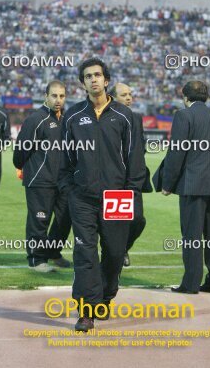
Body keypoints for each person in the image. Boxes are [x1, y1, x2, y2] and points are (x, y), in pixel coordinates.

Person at [58, 58, 146, 332]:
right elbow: (64, 159)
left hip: (117, 197)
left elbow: (135, 157)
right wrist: (70, 189)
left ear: (106, 80)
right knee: (85, 252)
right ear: (82, 83)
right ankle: (86, 310)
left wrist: (130, 192)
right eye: (88, 76)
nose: (93, 79)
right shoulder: (73, 116)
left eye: (97, 75)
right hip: (82, 197)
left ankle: (106, 296)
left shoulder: (124, 116)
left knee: (115, 252)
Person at [159, 81, 210, 294]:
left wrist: (167, 184)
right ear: (206, 97)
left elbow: (177, 152)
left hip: (193, 185)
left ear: (185, 98)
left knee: (192, 237)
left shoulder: (184, 116)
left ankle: (191, 284)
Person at [13, 80, 71, 273]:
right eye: (54, 95)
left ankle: (52, 253)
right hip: (40, 180)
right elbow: (21, 150)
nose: (58, 100)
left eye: (62, 96)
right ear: (46, 96)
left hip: (63, 182)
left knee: (65, 219)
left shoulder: (66, 119)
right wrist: (23, 167)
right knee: (40, 221)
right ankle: (37, 260)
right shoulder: (35, 119)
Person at [110, 83, 152, 267]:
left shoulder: (136, 118)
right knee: (117, 222)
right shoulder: (107, 117)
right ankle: (114, 256)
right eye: (124, 95)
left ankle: (123, 248)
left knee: (137, 220)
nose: (129, 98)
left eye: (130, 94)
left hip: (134, 179)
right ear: (112, 98)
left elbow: (139, 148)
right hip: (114, 179)